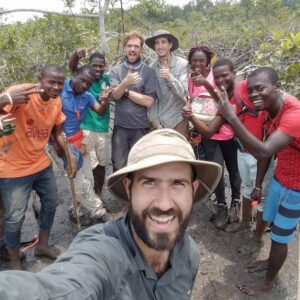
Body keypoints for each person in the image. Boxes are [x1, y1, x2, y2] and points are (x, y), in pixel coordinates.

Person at [0, 129, 222, 299]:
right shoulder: (104, 252)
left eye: (177, 184)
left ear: (192, 190)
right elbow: (62, 287)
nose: (164, 204)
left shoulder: (188, 253)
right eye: (149, 182)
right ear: (129, 188)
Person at [216, 66, 300, 295]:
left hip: (297, 189)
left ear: (277, 86)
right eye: (251, 90)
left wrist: (232, 117)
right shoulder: (265, 111)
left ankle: (267, 282)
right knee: (270, 223)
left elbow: (263, 152)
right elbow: (267, 153)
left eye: (260, 88)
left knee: (281, 237)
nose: (254, 94)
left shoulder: (294, 115)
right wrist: (258, 185)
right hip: (281, 179)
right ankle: (268, 256)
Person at [183, 59, 275, 252]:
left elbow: (273, 103)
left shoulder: (247, 88)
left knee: (261, 195)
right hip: (243, 150)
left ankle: (257, 237)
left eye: (225, 75)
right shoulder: (225, 99)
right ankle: (245, 222)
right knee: (247, 188)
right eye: (216, 77)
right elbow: (210, 131)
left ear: (235, 73)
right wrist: (191, 117)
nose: (221, 80)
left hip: (261, 153)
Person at [0, 65, 77, 270]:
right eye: (51, 81)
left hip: (40, 163)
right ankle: (14, 258)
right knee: (15, 218)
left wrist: (69, 156)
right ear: (39, 79)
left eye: (60, 83)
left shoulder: (56, 100)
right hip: (12, 168)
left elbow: (58, 131)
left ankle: (42, 245)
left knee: (51, 202)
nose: (56, 86)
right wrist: (5, 99)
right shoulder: (23, 93)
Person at [183, 54, 241, 230]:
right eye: (218, 77)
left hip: (227, 135)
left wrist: (207, 84)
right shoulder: (193, 79)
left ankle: (236, 203)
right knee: (217, 171)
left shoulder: (231, 89)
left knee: (233, 170)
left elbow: (221, 105)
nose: (221, 79)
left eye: (202, 60)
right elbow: (196, 99)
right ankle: (222, 206)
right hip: (209, 133)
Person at [54, 64, 112, 225]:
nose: (84, 85)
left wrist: (104, 101)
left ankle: (75, 211)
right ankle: (99, 212)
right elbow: (52, 124)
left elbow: (99, 111)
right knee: (79, 182)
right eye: (82, 80)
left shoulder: (86, 96)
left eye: (88, 83)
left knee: (89, 180)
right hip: (62, 143)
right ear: (75, 74)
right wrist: (59, 147)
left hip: (80, 140)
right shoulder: (59, 89)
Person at [109, 31, 156, 171]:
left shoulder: (149, 72)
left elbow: (148, 102)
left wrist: (126, 91)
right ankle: (121, 193)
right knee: (119, 167)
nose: (132, 49)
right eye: (129, 46)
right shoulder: (115, 71)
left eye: (136, 46)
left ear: (141, 49)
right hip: (120, 127)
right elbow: (115, 96)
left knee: (138, 166)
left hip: (140, 127)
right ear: (124, 48)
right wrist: (125, 82)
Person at [69, 49, 111, 197]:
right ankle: (88, 199)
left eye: (101, 65)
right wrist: (76, 55)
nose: (98, 68)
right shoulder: (85, 79)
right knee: (88, 166)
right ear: (88, 65)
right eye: (95, 65)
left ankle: (98, 195)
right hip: (86, 129)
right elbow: (73, 67)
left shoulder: (107, 79)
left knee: (102, 164)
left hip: (103, 128)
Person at [146, 30, 189, 138]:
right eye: (157, 43)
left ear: (170, 45)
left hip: (179, 120)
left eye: (163, 42)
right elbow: (152, 98)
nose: (160, 46)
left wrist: (169, 77)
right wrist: (156, 122)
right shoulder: (151, 68)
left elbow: (184, 93)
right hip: (159, 122)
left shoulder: (182, 65)